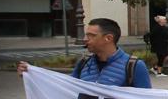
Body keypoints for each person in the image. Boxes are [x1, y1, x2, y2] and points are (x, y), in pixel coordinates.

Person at [18, 18, 152, 88]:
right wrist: (32, 75)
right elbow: (66, 87)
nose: (85, 39)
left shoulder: (134, 66)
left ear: (108, 38)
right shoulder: (84, 63)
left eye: (91, 36)